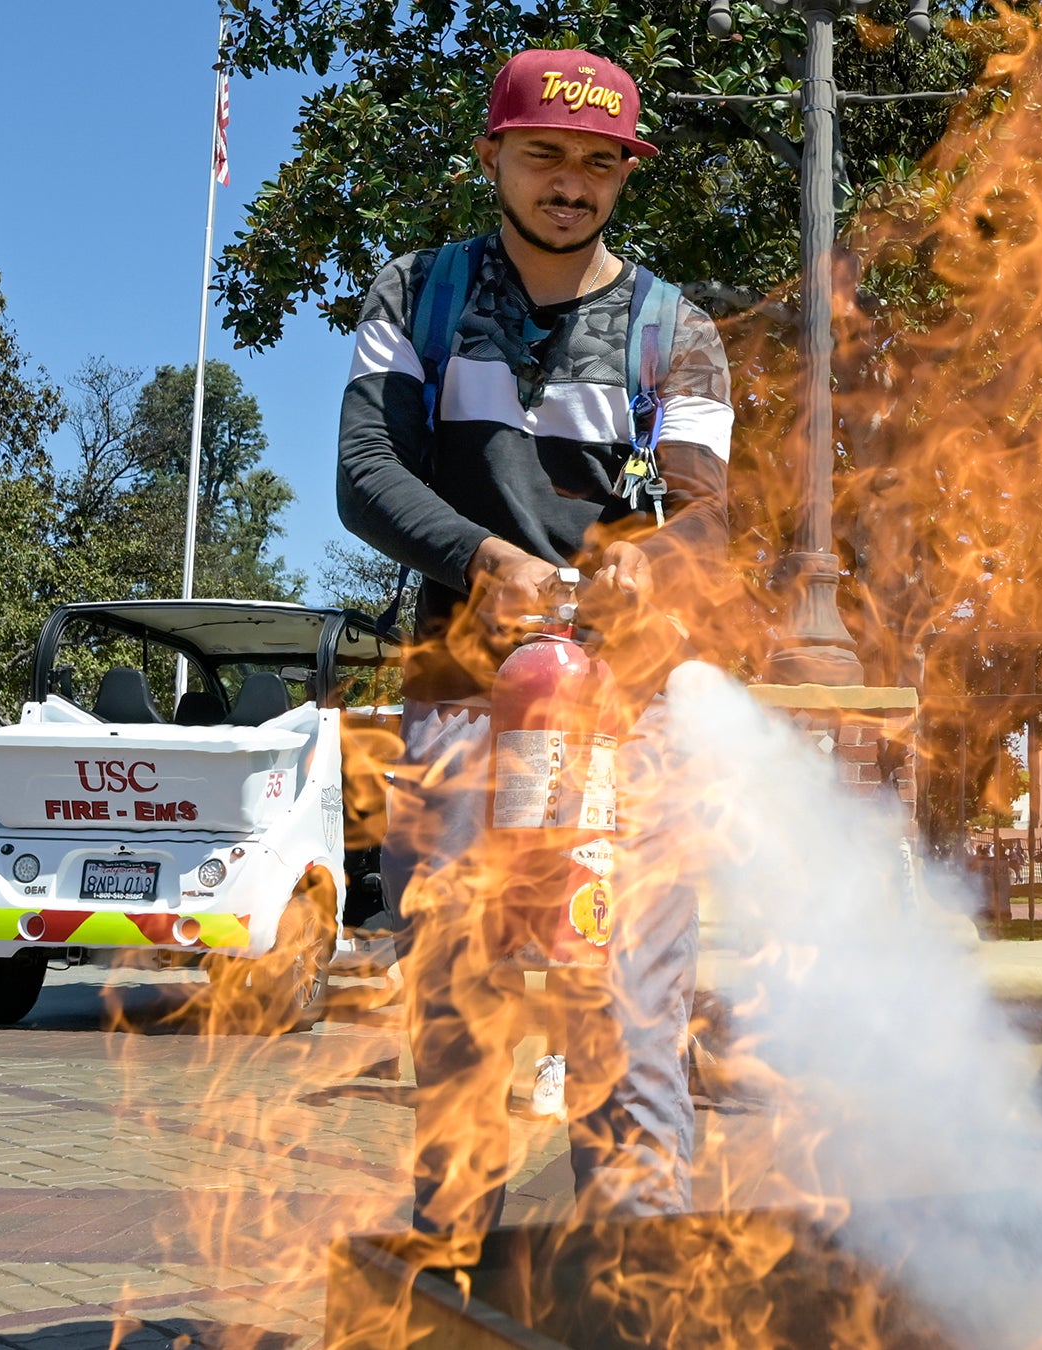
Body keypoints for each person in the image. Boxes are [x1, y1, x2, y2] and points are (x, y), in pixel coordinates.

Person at [338, 48, 732, 1235]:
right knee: (460, 1001)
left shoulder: (676, 328)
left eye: (599, 163)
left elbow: (708, 518)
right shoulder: (421, 297)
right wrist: (482, 558)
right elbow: (365, 475)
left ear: (623, 175)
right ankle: (453, 1261)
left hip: (631, 716)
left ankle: (640, 1265)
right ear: (494, 157)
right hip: (464, 700)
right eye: (546, 155)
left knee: (628, 1003)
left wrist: (639, 565)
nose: (573, 184)